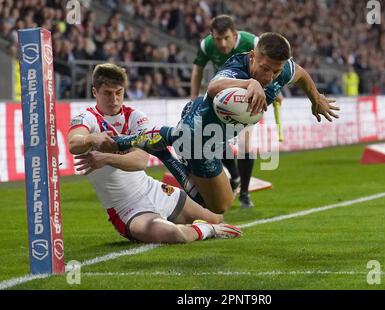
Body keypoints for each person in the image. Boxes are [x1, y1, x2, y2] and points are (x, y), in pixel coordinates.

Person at [116, 32, 339, 214]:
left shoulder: (281, 69)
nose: (270, 76)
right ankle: (164, 148)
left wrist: (316, 98)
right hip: (198, 135)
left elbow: (300, 74)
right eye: (264, 68)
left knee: (220, 203)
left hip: (217, 137)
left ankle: (163, 143)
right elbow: (214, 88)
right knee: (215, 207)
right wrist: (250, 82)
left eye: (276, 71)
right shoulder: (236, 66)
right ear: (252, 56)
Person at [67, 63, 242, 244]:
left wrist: (106, 158)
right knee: (173, 235)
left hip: (154, 190)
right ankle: (207, 229)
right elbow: (74, 142)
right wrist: (91, 139)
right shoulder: (87, 118)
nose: (114, 99)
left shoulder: (136, 116)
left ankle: (206, 224)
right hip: (127, 210)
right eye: (107, 93)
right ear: (95, 92)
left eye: (119, 92)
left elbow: (140, 161)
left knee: (216, 215)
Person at [190, 14, 261, 209]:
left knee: (245, 142)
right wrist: (194, 96)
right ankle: (235, 178)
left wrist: (274, 88)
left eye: (226, 38)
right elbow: (197, 69)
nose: (221, 44)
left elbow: (269, 66)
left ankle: (245, 194)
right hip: (220, 97)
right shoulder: (207, 45)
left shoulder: (252, 42)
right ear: (211, 35)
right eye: (217, 38)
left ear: (235, 34)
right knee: (215, 139)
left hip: (247, 98)